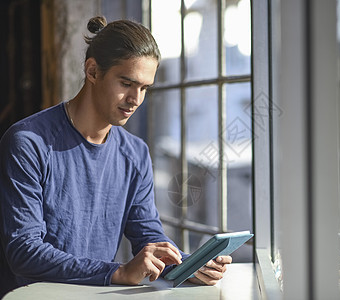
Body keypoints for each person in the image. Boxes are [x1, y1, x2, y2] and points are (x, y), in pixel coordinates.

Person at [0, 16, 231, 297]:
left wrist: (190, 266)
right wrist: (117, 272)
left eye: (145, 87)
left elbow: (147, 236)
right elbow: (24, 251)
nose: (136, 99)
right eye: (127, 83)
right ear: (93, 71)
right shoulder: (28, 142)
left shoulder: (135, 153)